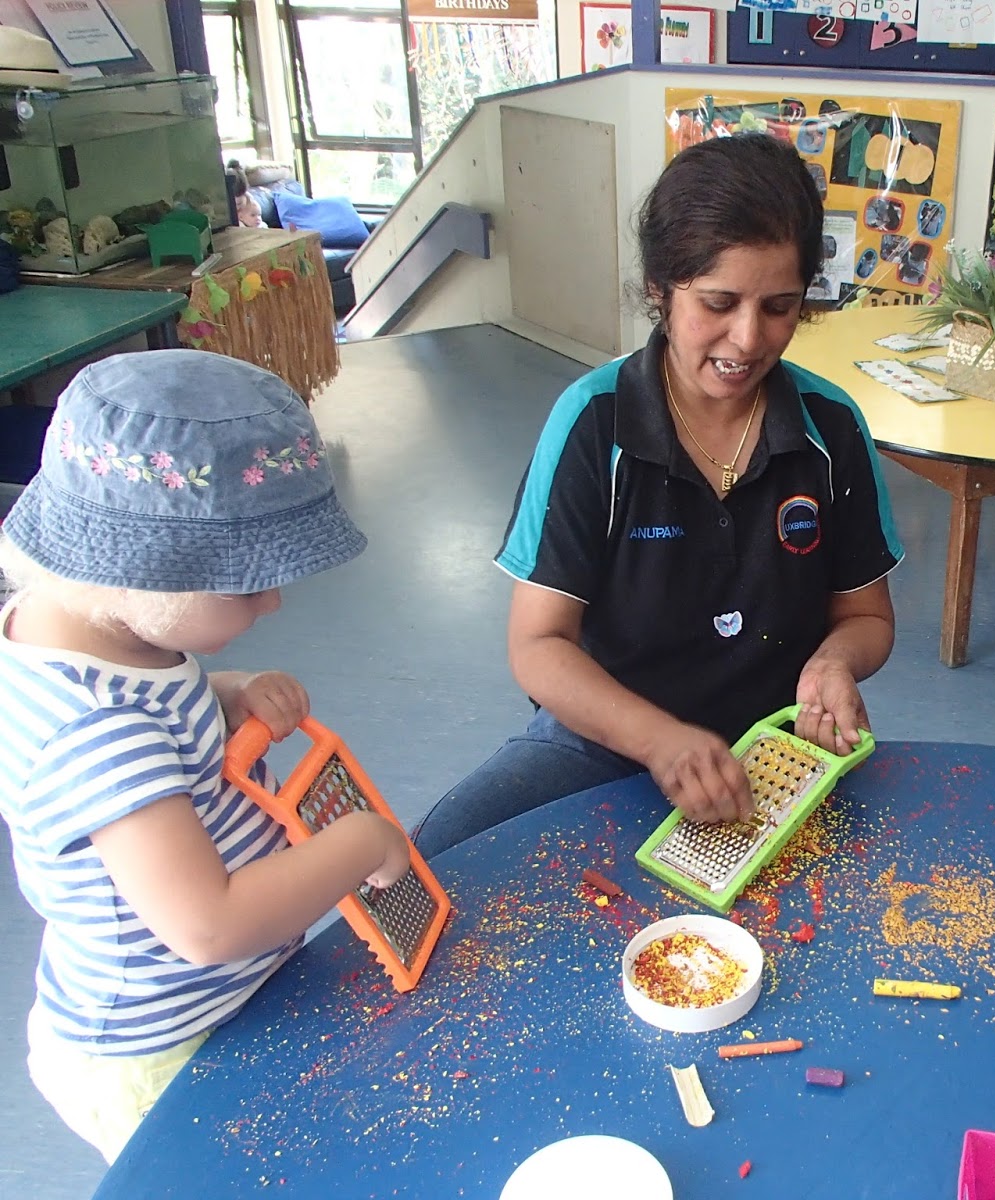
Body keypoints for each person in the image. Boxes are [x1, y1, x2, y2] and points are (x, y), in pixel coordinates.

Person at [411, 133, 902, 856]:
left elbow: (865, 616)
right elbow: (539, 644)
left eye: (779, 307)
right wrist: (659, 741)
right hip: (606, 739)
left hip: (776, 749)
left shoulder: (829, 427)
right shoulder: (594, 421)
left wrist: (834, 663)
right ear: (658, 289)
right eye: (718, 303)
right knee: (437, 856)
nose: (748, 338)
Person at [0, 351, 411, 1162]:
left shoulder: (107, 641)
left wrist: (228, 693)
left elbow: (164, 717)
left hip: (213, 1008)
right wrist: (362, 842)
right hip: (161, 1055)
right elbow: (209, 924)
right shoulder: (99, 732)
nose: (273, 601)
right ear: (140, 572)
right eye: (245, 586)